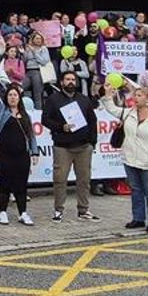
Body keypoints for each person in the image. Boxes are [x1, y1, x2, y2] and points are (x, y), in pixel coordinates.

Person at [41, 70, 99, 222]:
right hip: (62, 147)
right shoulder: (53, 99)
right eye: (67, 79)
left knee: (84, 180)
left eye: (73, 79)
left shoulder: (84, 99)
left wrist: (92, 142)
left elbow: (93, 121)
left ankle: (83, 210)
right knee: (60, 180)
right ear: (62, 82)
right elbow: (45, 119)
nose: (71, 82)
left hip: (83, 146)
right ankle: (58, 210)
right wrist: (61, 127)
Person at [115, 87, 148, 234]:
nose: (135, 98)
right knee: (136, 189)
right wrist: (107, 95)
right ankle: (138, 218)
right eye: (135, 95)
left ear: (147, 99)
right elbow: (112, 109)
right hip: (130, 158)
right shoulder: (128, 113)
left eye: (139, 95)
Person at [0, 84, 36, 225]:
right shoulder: (1, 111)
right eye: (10, 95)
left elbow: (31, 136)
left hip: (22, 156)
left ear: (19, 97)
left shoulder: (26, 115)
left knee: (21, 184)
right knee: (5, 184)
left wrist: (34, 152)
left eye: (15, 95)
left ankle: (23, 213)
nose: (12, 97)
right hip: (4, 155)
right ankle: (3, 212)